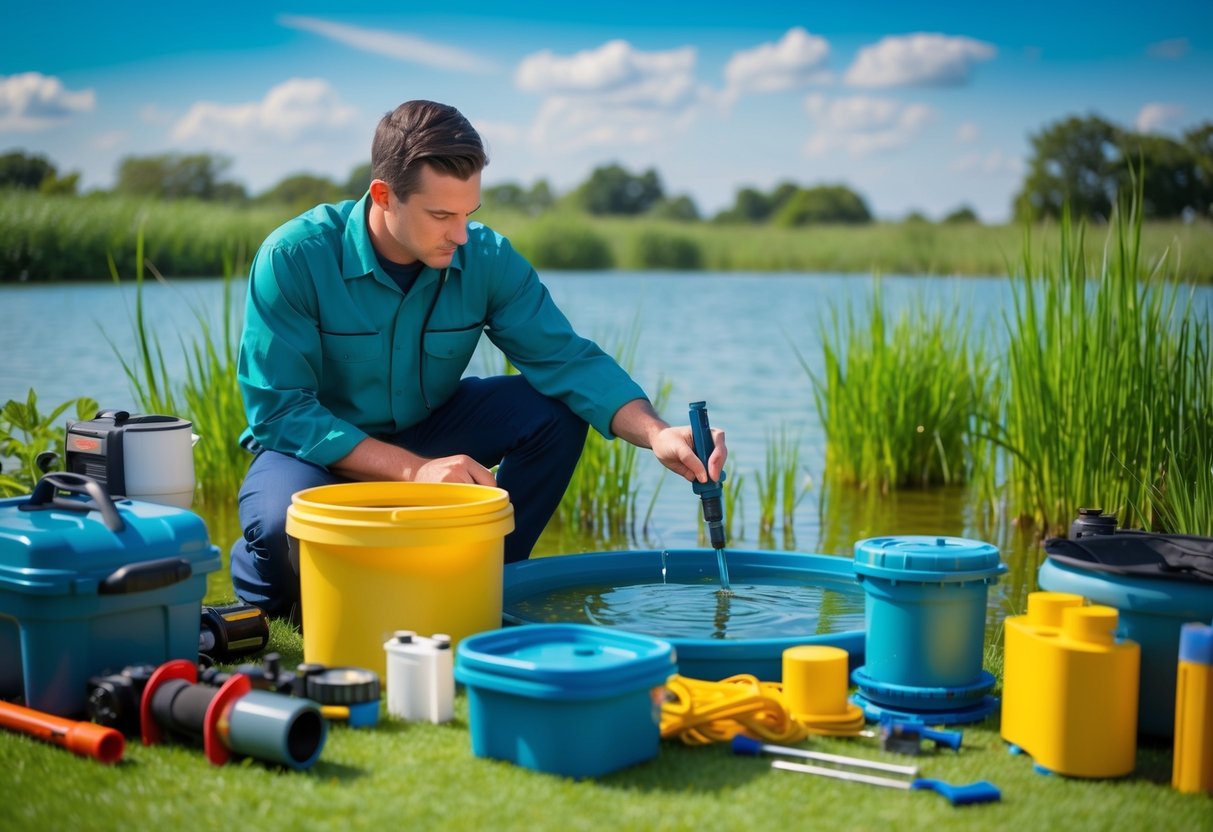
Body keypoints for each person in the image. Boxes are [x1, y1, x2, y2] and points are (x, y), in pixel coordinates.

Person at [229, 100, 727, 622]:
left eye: (470, 213)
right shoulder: (293, 257)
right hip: (312, 452)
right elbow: (280, 411)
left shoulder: (485, 257)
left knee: (554, 410)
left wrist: (656, 434)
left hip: (428, 430)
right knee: (283, 527)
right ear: (383, 195)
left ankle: (487, 585)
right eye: (442, 215)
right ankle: (272, 593)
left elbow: (567, 359)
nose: (460, 235)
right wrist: (415, 472)